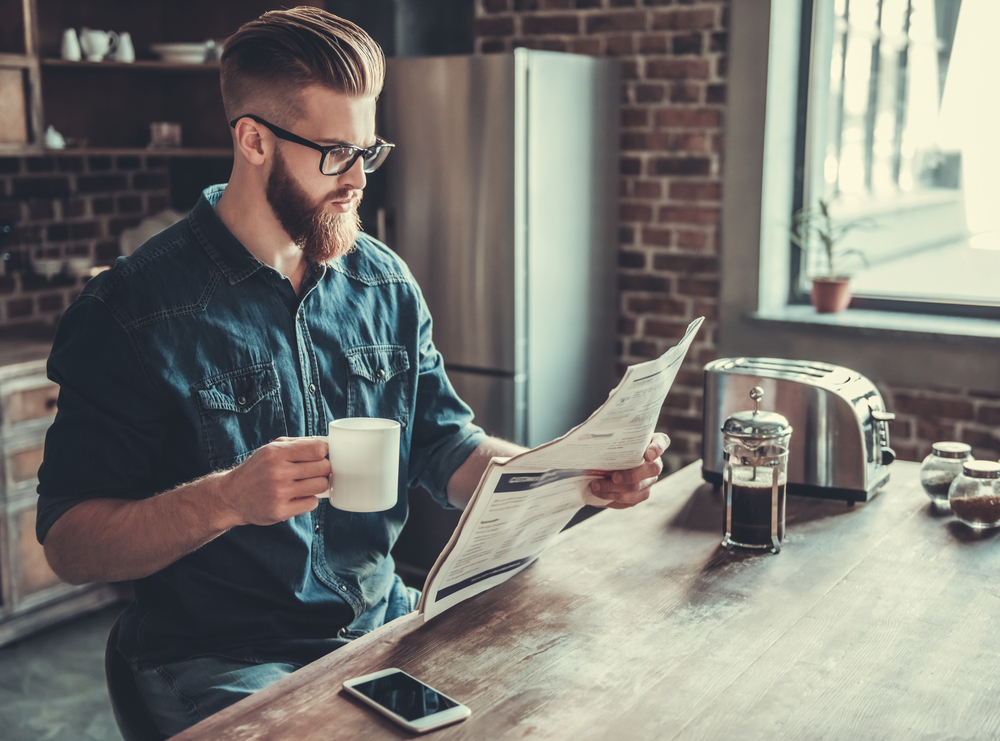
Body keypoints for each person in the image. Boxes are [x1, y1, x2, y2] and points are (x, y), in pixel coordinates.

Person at [36, 7, 667, 737]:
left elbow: (445, 446)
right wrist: (227, 499)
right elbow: (70, 542)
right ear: (254, 141)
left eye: (369, 150)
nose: (359, 178)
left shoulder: (382, 282)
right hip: (218, 659)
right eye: (336, 153)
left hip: (381, 620)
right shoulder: (130, 309)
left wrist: (568, 472)